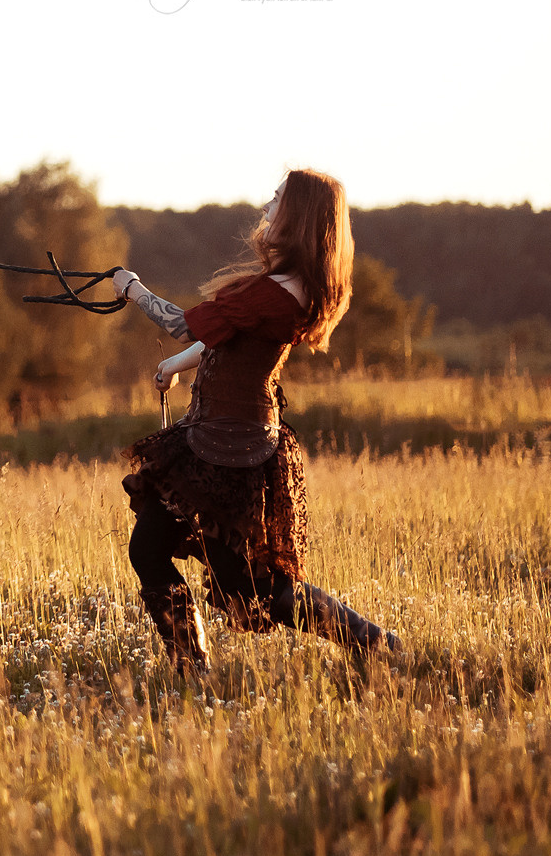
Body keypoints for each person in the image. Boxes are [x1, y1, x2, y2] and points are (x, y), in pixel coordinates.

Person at [110, 169, 400, 671]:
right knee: (149, 547)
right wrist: (174, 366)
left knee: (250, 584)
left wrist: (131, 288)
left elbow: (183, 325)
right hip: (211, 437)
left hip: (231, 450)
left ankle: (372, 642)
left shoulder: (281, 291)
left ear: (300, 214)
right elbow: (220, 338)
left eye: (278, 197)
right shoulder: (282, 286)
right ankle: (191, 667)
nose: (267, 204)